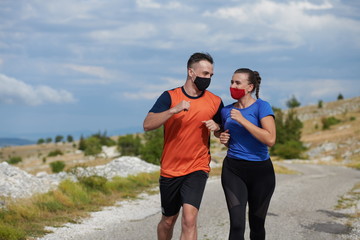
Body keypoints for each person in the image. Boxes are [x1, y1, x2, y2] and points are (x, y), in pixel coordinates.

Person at [143, 52, 224, 240]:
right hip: (171, 169)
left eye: (211, 75)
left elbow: (222, 132)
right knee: (168, 220)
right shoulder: (170, 96)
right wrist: (174, 110)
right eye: (204, 74)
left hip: (198, 166)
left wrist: (218, 128)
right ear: (191, 72)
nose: (208, 78)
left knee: (189, 219)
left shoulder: (215, 101)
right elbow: (147, 125)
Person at [219, 68, 276, 240]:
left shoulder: (262, 106)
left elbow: (270, 139)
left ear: (250, 87)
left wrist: (243, 120)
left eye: (237, 83)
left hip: (261, 172)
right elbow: (229, 137)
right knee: (237, 225)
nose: (232, 86)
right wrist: (223, 138)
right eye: (231, 82)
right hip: (233, 170)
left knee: (257, 225)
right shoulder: (226, 111)